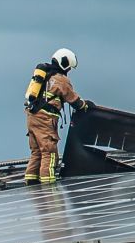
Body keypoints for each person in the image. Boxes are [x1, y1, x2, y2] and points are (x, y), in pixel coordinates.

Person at [24, 48, 92, 184]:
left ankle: (31, 181)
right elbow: (73, 99)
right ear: (64, 64)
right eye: (69, 67)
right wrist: (85, 106)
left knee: (37, 152)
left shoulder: (45, 76)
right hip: (45, 119)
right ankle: (48, 184)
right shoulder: (61, 80)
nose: (69, 70)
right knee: (49, 152)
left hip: (32, 116)